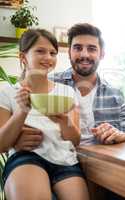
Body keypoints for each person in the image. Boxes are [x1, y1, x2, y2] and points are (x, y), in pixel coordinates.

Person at [14, 23, 125, 150]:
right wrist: (16, 141)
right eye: (77, 48)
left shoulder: (114, 93)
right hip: (56, 160)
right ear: (69, 52)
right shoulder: (46, 85)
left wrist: (123, 135)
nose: (84, 55)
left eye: (92, 49)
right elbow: (19, 121)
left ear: (102, 54)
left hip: (101, 161)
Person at [0, 29, 89, 199]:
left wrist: (63, 120)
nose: (48, 57)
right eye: (40, 51)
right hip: (27, 158)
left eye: (53, 53)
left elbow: (75, 140)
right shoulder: (7, 93)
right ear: (23, 57)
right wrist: (21, 112)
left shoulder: (67, 92)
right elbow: (1, 145)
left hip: (66, 162)